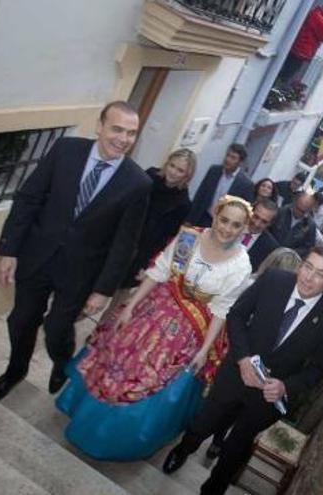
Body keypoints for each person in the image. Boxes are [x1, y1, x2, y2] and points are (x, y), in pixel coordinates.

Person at [55, 196, 254, 460]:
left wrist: (204, 350)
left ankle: (113, 440)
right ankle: (84, 416)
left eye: (236, 225)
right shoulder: (190, 237)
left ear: (244, 229)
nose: (227, 228)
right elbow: (160, 272)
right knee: (119, 360)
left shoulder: (241, 265)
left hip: (188, 330)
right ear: (215, 216)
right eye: (224, 220)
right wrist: (129, 306)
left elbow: (221, 311)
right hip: (154, 308)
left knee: (151, 377)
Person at [0, 101, 152, 401]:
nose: (123, 139)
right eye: (117, 129)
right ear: (100, 127)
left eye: (131, 133)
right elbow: (29, 199)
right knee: (21, 320)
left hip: (81, 273)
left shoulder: (138, 183)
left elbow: (124, 243)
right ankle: (15, 370)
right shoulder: (65, 150)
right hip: (38, 255)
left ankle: (62, 363)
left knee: (57, 328)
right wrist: (8, 250)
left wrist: (103, 289)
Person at [162, 246, 323, 495]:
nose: (308, 277)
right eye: (308, 267)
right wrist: (243, 359)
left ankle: (213, 488)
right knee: (206, 420)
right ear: (301, 265)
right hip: (236, 372)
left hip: (269, 395)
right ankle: (184, 449)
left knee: (237, 446)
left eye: (321, 274)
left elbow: (319, 368)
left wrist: (286, 386)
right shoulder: (273, 280)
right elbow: (237, 316)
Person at [204, 245, 302, 461]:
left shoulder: (253, 283)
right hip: (238, 354)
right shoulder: (252, 286)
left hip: (242, 357)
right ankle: (214, 439)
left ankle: (214, 438)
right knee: (227, 406)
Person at [100, 149, 195, 324]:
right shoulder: (148, 177)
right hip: (119, 240)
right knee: (97, 288)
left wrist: (149, 265)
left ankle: (98, 335)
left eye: (180, 170)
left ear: (187, 175)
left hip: (141, 254)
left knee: (118, 301)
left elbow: (167, 240)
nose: (173, 172)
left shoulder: (183, 204)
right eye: (172, 166)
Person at [186, 143, 254, 227]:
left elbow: (244, 212)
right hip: (203, 217)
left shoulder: (246, 184)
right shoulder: (214, 171)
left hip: (222, 225)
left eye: (233, 158)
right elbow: (200, 194)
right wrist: (189, 219)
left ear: (240, 162)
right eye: (227, 155)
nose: (228, 159)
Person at [276, 5, 323, 86]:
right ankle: (276, 87)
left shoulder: (314, 14)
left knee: (286, 69)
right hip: (302, 50)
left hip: (298, 47)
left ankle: (277, 85)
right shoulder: (320, 19)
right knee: (288, 72)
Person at [242, 197, 280, 272]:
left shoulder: (271, 247)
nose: (257, 224)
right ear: (250, 211)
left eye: (264, 222)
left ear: (270, 224)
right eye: (256, 217)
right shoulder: (233, 225)